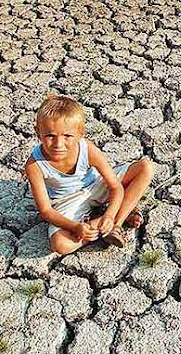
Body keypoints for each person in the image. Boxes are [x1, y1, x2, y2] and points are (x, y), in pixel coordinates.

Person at [25, 95, 154, 254]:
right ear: (38, 132)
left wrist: (110, 215)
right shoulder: (34, 165)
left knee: (146, 167)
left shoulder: (87, 148)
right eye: (50, 136)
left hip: (97, 184)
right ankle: (116, 215)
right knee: (60, 245)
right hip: (68, 201)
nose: (58, 144)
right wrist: (76, 227)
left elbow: (115, 186)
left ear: (80, 134)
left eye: (67, 136)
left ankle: (116, 225)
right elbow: (46, 211)